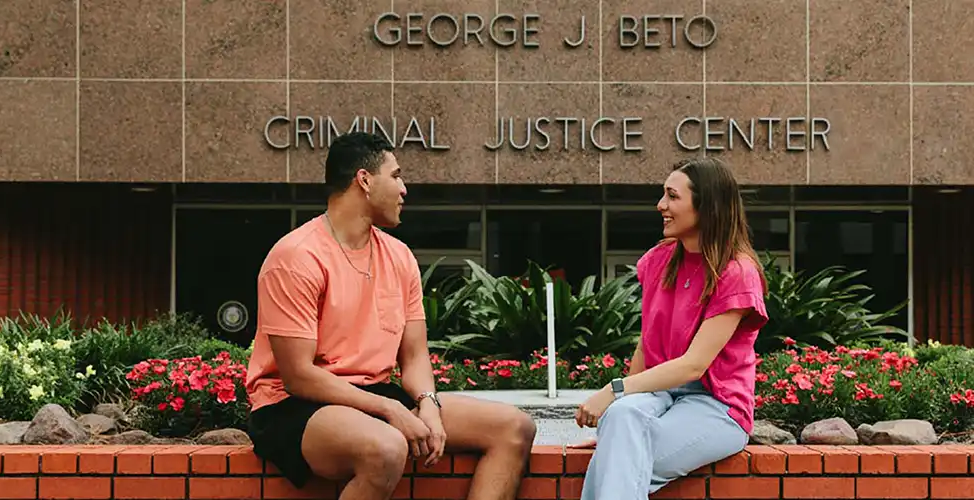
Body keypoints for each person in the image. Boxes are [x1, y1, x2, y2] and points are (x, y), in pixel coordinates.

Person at [243, 131, 537, 500]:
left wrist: (428, 405)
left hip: (374, 397)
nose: (404, 189)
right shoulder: (296, 257)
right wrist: (391, 411)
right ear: (364, 180)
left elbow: (413, 357)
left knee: (514, 427)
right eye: (396, 175)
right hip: (295, 406)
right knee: (385, 447)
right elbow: (300, 376)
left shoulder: (399, 257)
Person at [569, 157, 769, 500]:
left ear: (706, 206)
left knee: (620, 461)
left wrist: (613, 391)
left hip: (717, 406)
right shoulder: (659, 260)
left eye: (672, 196)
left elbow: (694, 365)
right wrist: (615, 421)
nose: (661, 205)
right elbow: (647, 346)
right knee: (622, 421)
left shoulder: (737, 272)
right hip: (661, 396)